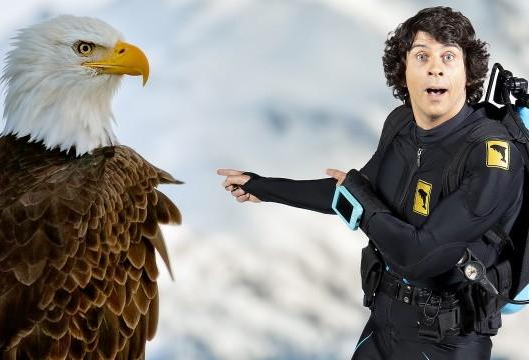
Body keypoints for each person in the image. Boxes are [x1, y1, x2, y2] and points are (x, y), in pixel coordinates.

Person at [217, 7, 524, 360]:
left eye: (449, 56)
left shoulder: (492, 157)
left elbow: (418, 255)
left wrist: (361, 201)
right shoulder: (402, 127)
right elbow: (352, 194)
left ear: (469, 73)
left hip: (448, 343)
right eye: (422, 56)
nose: (435, 67)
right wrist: (263, 187)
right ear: (403, 71)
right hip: (383, 326)